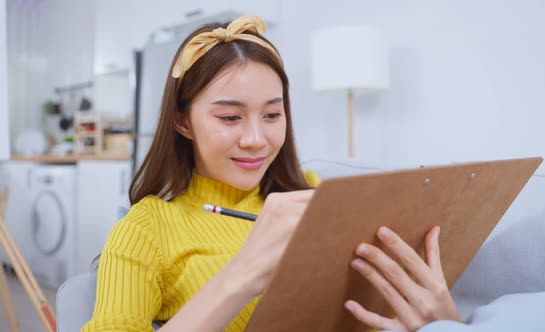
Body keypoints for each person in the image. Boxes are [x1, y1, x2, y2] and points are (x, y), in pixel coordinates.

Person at [81, 15, 461, 332]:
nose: (255, 139)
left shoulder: (317, 195)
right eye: (230, 117)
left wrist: (443, 322)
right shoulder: (146, 229)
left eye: (272, 115)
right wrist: (241, 278)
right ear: (183, 122)